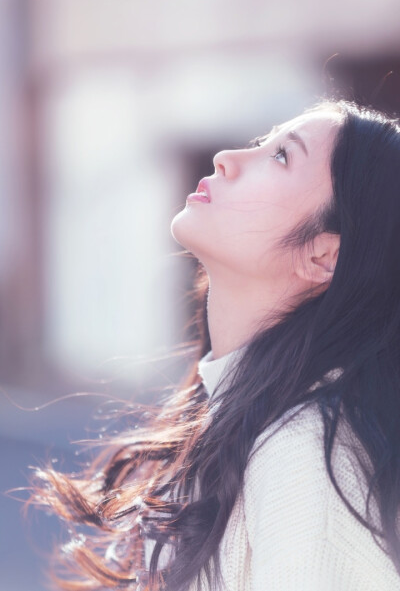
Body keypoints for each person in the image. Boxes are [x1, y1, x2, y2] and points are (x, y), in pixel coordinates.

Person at [30, 98, 400, 591]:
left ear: (323, 255)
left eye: (281, 156)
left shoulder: (303, 454)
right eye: (260, 143)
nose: (227, 157)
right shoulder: (238, 412)